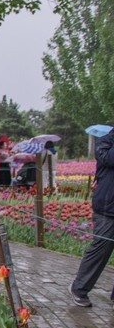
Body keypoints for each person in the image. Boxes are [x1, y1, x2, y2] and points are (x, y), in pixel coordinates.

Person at [70, 129, 114, 307]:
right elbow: (110, 159)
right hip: (108, 207)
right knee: (101, 248)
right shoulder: (105, 143)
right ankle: (79, 288)